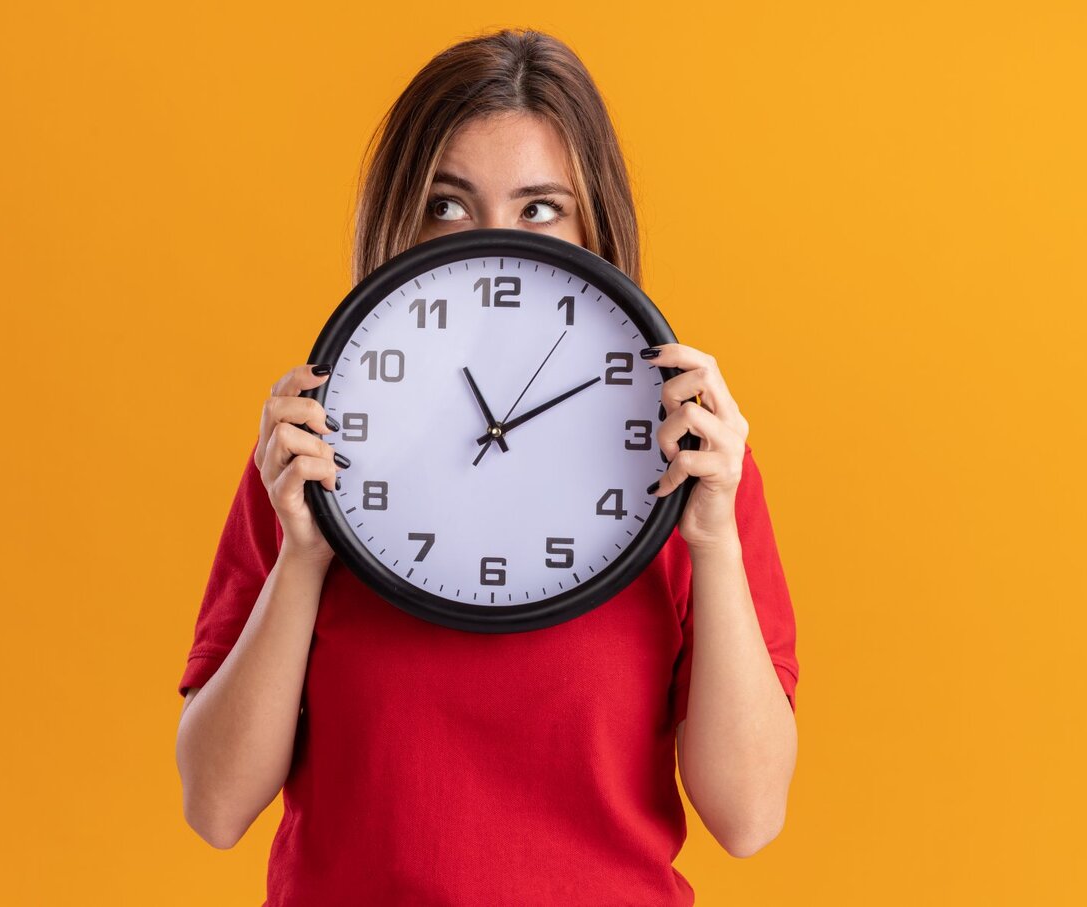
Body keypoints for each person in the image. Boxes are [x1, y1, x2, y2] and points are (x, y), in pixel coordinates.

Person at [175, 27, 799, 906]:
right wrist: (304, 555)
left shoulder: (688, 458)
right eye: (448, 204)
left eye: (540, 208)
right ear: (397, 219)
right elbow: (214, 802)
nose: (493, 247)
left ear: (596, 228)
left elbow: (749, 814)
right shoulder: (309, 453)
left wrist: (713, 540)